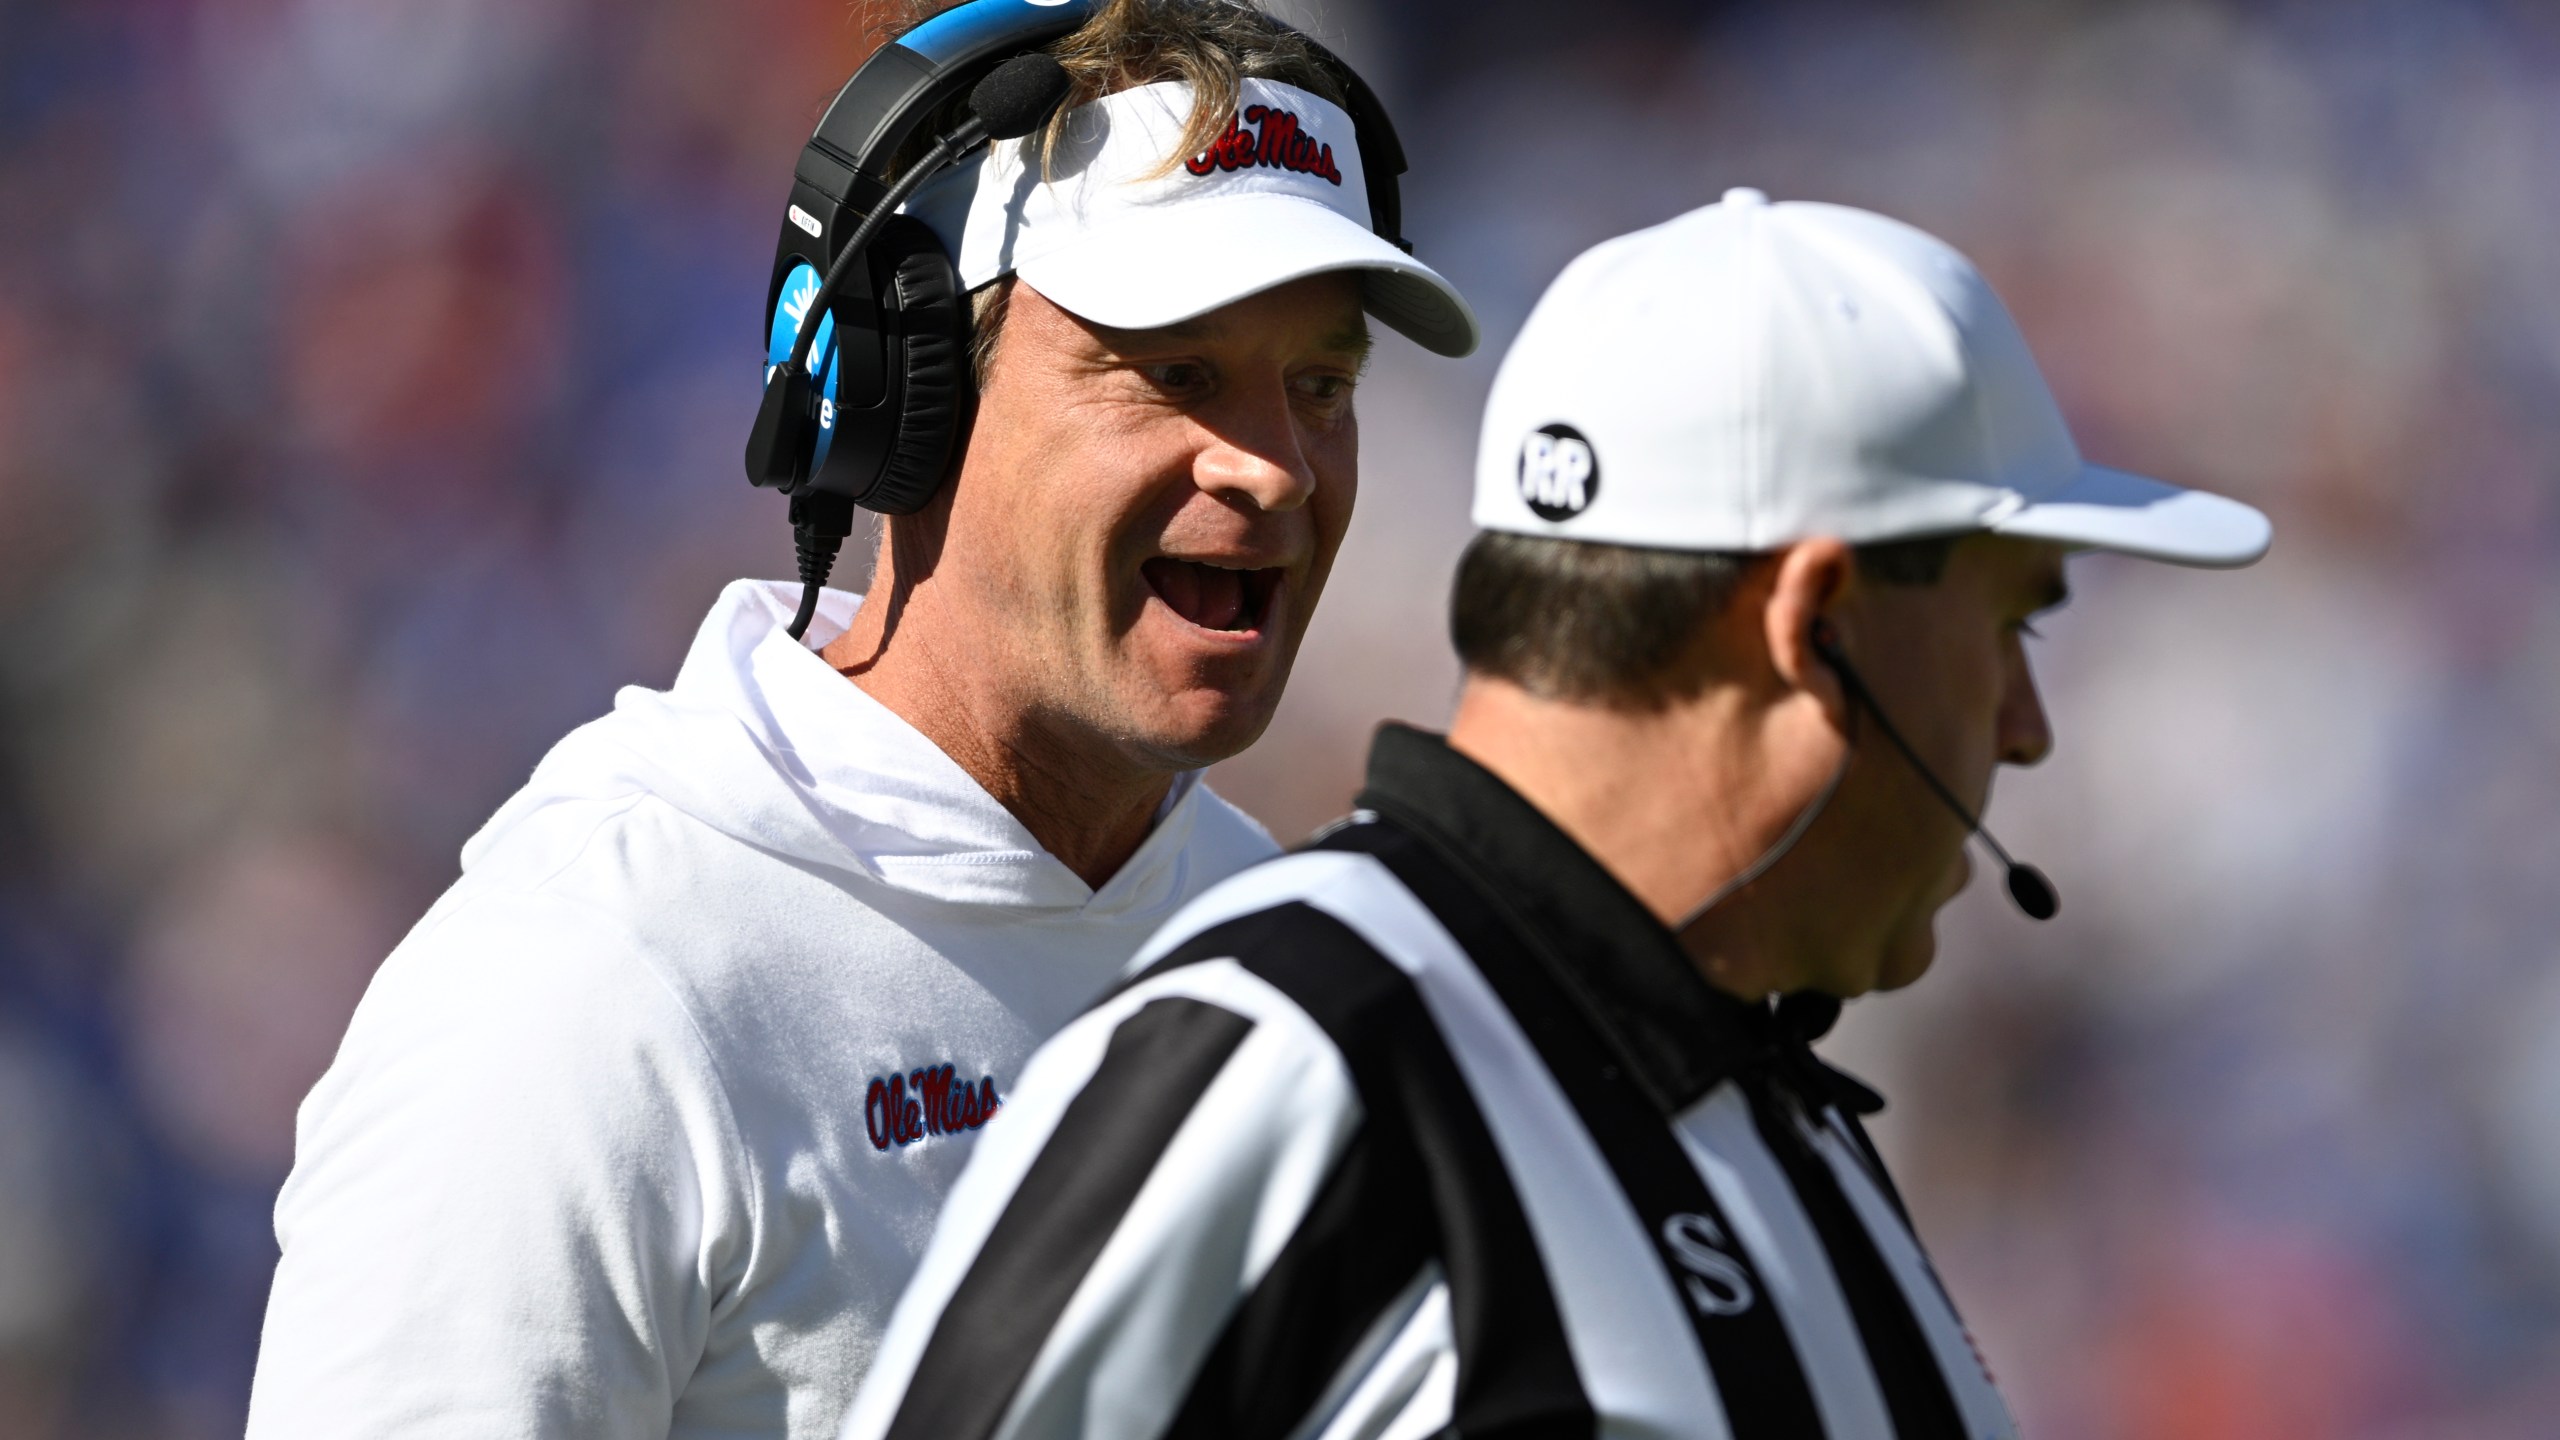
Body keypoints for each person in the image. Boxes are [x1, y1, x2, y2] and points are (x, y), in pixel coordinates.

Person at [837, 187, 2271, 1440]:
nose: (2027, 725)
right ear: (1815, 620)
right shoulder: (1304, 1052)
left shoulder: (1761, 1096)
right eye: (2010, 626)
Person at [244, 1, 1477, 1435]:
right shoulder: (599, 984)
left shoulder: (1306, 959)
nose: (1276, 468)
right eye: (1175, 372)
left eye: (1321, 384)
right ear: (908, 393)